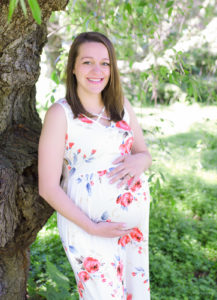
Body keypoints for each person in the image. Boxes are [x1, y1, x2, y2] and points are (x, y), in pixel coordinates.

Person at [38, 31, 152, 300]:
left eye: (105, 63)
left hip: (132, 232)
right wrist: (93, 228)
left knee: (133, 295)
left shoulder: (121, 107)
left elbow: (144, 154)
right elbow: (48, 188)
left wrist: (139, 160)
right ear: (74, 68)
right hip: (87, 229)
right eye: (87, 62)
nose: (97, 70)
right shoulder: (60, 114)